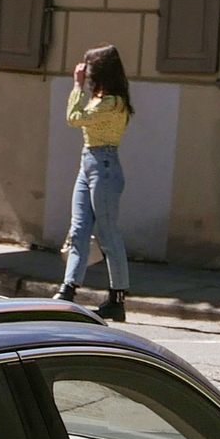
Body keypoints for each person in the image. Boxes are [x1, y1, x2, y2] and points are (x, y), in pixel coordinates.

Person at [58, 44, 133, 322]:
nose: (85, 72)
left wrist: (76, 86)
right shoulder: (101, 97)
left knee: (108, 234)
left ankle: (117, 298)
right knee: (78, 230)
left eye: (89, 67)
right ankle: (68, 289)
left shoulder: (113, 102)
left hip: (104, 166)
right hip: (88, 163)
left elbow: (73, 118)